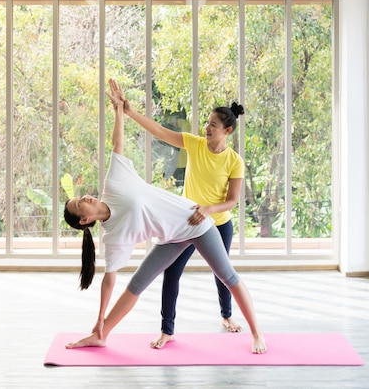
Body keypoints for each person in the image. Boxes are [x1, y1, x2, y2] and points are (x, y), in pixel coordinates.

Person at [63, 79, 266, 354]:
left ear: (227, 131)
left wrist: (121, 112)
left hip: (197, 223)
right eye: (79, 204)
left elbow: (117, 143)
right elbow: (110, 278)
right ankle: (102, 335)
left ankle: (256, 335)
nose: (84, 197)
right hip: (172, 236)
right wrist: (98, 318)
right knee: (137, 283)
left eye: (80, 196)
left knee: (227, 276)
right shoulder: (112, 236)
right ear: (85, 221)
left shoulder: (112, 183)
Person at [119, 82, 245, 349]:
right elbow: (160, 132)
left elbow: (232, 201)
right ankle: (167, 331)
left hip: (218, 224)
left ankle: (227, 316)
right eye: (207, 122)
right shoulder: (194, 144)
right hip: (186, 223)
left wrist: (209, 209)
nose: (207, 127)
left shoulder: (234, 161)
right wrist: (130, 112)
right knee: (172, 272)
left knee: (223, 274)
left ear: (228, 131)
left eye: (213, 124)